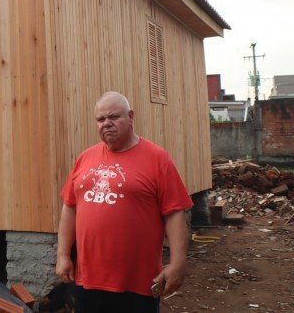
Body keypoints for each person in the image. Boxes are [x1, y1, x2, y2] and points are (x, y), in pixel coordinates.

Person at [55, 91, 193, 312]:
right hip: (87, 280)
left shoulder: (157, 159)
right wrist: (62, 255)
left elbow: (174, 213)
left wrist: (177, 263)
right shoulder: (85, 158)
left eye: (114, 117)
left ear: (131, 117)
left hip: (137, 284)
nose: (106, 124)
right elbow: (69, 208)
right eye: (101, 119)